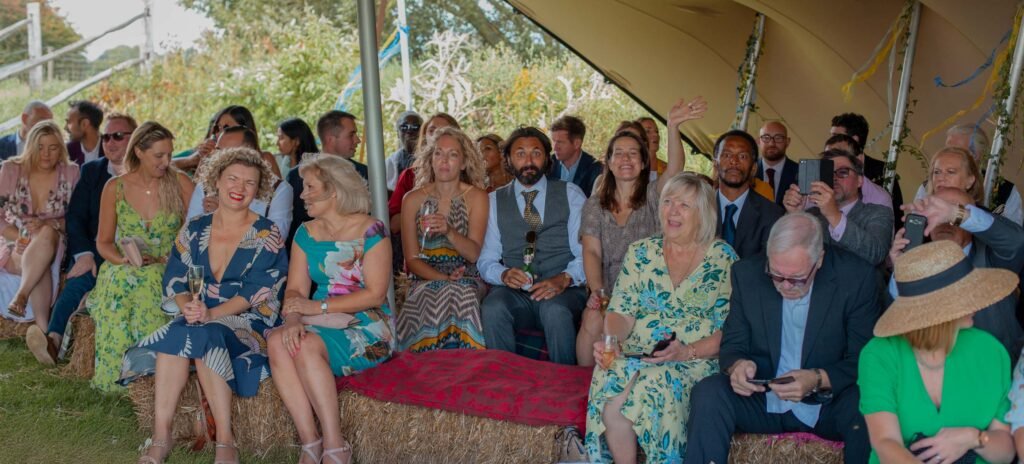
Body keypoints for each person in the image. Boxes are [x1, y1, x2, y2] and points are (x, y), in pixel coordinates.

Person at [127, 147, 288, 464]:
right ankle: (161, 435)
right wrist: (187, 306)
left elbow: (258, 291)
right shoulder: (195, 228)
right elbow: (176, 277)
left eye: (250, 182)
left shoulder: (267, 233)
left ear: (259, 189)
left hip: (247, 319)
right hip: (200, 314)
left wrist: (212, 313)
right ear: (216, 180)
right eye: (233, 179)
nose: (240, 188)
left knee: (203, 333)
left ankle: (225, 441)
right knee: (178, 333)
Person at [685, 212, 880, 464]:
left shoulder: (856, 278)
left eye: (797, 278)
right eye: (776, 275)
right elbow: (733, 344)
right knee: (709, 393)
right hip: (764, 396)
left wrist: (818, 378)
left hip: (828, 404)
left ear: (819, 259)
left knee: (866, 403)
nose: (785, 285)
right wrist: (738, 366)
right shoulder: (747, 274)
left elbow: (863, 358)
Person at [585, 173, 737, 463]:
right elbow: (621, 312)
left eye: (684, 205)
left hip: (693, 359)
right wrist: (612, 341)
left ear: (703, 214)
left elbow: (731, 330)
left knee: (654, 383)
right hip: (638, 352)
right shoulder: (641, 252)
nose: (672, 211)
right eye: (668, 202)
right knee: (610, 378)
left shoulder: (723, 259)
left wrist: (686, 352)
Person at [268, 154, 393, 464]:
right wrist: (293, 319)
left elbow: (375, 294)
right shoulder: (305, 233)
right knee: (278, 341)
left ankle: (336, 446)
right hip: (318, 316)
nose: (302, 195)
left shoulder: (372, 230)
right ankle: (310, 442)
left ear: (334, 190)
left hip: (366, 323)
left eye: (310, 187)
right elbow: (295, 290)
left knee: (305, 345)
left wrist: (316, 307)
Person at [861, 240, 1017, 464]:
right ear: (939, 311)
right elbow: (886, 443)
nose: (977, 301)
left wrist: (973, 438)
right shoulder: (880, 354)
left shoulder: (991, 350)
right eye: (966, 294)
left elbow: (1005, 453)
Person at [577, 96, 706, 366]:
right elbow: (591, 251)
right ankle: (586, 383)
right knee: (592, 318)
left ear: (645, 161)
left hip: (650, 290)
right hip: (609, 290)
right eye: (619, 153)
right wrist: (598, 293)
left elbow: (675, 168)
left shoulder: (655, 195)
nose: (626, 159)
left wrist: (672, 126)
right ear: (609, 161)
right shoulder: (595, 204)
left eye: (633, 153)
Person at [88, 121, 194, 392]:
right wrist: (122, 260)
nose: (166, 162)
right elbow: (103, 242)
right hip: (124, 264)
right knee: (120, 280)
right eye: (159, 155)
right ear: (138, 151)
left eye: (169, 154)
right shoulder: (115, 187)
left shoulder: (181, 183)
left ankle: (150, 382)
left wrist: (164, 260)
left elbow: (196, 237)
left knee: (149, 282)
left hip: (168, 264)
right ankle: (114, 380)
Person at [25, 113, 138, 365]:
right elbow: (75, 218)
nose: (110, 142)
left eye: (118, 136)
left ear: (136, 138)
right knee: (78, 280)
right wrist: (84, 254)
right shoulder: (92, 171)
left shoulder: (147, 172)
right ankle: (52, 342)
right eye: (106, 137)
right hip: (97, 248)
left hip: (137, 251)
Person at [478, 126, 587, 365]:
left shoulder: (571, 194)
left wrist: (565, 278)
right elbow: (486, 260)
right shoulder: (494, 201)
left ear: (547, 158)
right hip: (517, 295)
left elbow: (586, 254)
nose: (528, 161)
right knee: (493, 307)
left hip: (564, 292)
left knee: (555, 311)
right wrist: (503, 274)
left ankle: (563, 381)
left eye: (536, 153)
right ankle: (504, 380)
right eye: (520, 154)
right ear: (508, 160)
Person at [888, 187, 1024, 358]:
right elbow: (895, 324)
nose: (945, 222)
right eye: (936, 212)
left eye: (951, 213)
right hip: (932, 366)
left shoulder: (991, 259)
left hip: (990, 364)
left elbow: (1016, 242)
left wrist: (956, 214)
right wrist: (902, 273)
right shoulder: (918, 261)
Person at [396, 127, 489, 352]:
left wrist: (449, 231)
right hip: (425, 277)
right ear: (431, 159)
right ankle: (421, 366)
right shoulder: (412, 199)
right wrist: (443, 278)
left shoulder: (477, 197)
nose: (444, 160)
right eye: (438, 153)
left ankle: (463, 365)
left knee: (462, 294)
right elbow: (412, 259)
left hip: (467, 276)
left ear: (464, 163)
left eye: (453, 154)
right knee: (429, 295)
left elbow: (473, 254)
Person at [0, 121, 80, 328]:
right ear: (30, 147)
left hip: (54, 239)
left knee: (45, 234)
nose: (46, 154)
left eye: (53, 148)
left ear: (61, 149)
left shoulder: (71, 172)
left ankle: (21, 295)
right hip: (15, 241)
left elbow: (78, 219)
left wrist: (52, 222)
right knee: (39, 261)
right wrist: (20, 236)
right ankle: (45, 331)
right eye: (40, 147)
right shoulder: (11, 169)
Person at [782, 149, 893, 267]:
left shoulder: (878, 212)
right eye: (828, 173)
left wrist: (834, 215)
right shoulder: (811, 214)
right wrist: (794, 215)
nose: (834, 178)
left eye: (843, 172)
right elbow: (786, 252)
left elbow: (876, 254)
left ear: (859, 181)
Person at [187, 125, 293, 240]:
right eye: (218, 151)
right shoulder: (206, 184)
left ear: (250, 153)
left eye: (228, 152)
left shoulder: (279, 189)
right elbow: (189, 234)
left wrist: (225, 215)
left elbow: (276, 239)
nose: (219, 157)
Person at [288, 110, 366, 244]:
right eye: (351, 135)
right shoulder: (297, 175)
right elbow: (295, 221)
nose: (357, 140)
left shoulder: (363, 172)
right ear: (330, 139)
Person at [712, 129, 784, 259]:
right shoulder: (698, 208)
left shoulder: (773, 215)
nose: (734, 161)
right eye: (727, 155)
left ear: (754, 168)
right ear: (715, 164)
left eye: (743, 156)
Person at [937, 124, 1022, 226]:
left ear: (975, 155)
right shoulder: (929, 186)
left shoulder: (1006, 191)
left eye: (955, 151)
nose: (946, 155)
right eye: (946, 150)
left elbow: (1013, 232)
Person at [387, 112, 461, 228]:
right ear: (425, 136)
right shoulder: (409, 176)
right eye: (432, 130)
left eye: (444, 131)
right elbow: (393, 224)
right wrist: (423, 214)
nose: (437, 135)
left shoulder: (468, 177)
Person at [829, 112, 904, 223]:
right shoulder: (827, 168)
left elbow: (896, 217)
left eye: (836, 136)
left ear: (854, 139)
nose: (830, 141)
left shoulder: (884, 172)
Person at [172, 105, 284, 179]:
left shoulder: (265, 158)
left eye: (226, 128)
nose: (218, 134)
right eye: (218, 128)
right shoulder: (209, 157)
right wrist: (199, 160)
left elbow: (278, 194)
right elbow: (197, 196)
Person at [824, 133, 893, 210]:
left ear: (859, 160)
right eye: (828, 158)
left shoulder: (879, 199)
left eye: (841, 156)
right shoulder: (817, 191)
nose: (833, 163)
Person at [547, 115, 603, 197]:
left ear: (577, 144)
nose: (555, 148)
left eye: (560, 142)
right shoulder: (547, 164)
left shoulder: (595, 170)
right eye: (554, 141)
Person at [757, 121, 799, 206]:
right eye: (766, 137)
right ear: (758, 141)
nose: (771, 143)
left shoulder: (800, 172)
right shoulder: (748, 171)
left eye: (778, 138)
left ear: (787, 142)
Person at [385, 111, 422, 191]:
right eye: (404, 127)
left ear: (422, 132)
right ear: (397, 134)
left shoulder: (431, 158)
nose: (409, 131)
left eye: (415, 127)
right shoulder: (388, 163)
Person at [65, 100, 105, 166]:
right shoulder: (67, 152)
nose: (65, 128)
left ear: (84, 124)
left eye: (69, 122)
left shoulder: (111, 147)